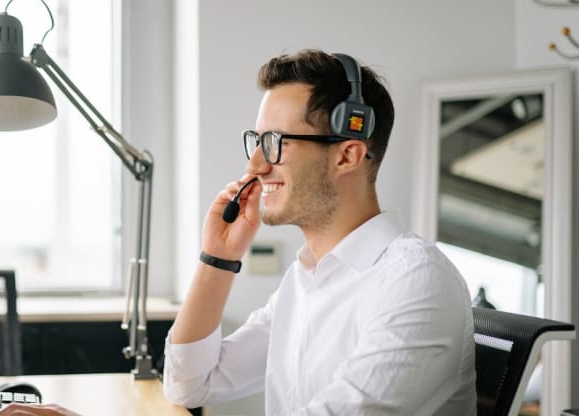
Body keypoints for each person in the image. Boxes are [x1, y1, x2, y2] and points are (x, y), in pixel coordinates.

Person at [162, 49, 477, 415]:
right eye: (258, 140)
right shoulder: (308, 277)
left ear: (347, 155)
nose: (255, 166)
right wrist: (217, 258)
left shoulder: (415, 280)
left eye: (276, 142)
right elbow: (188, 385)